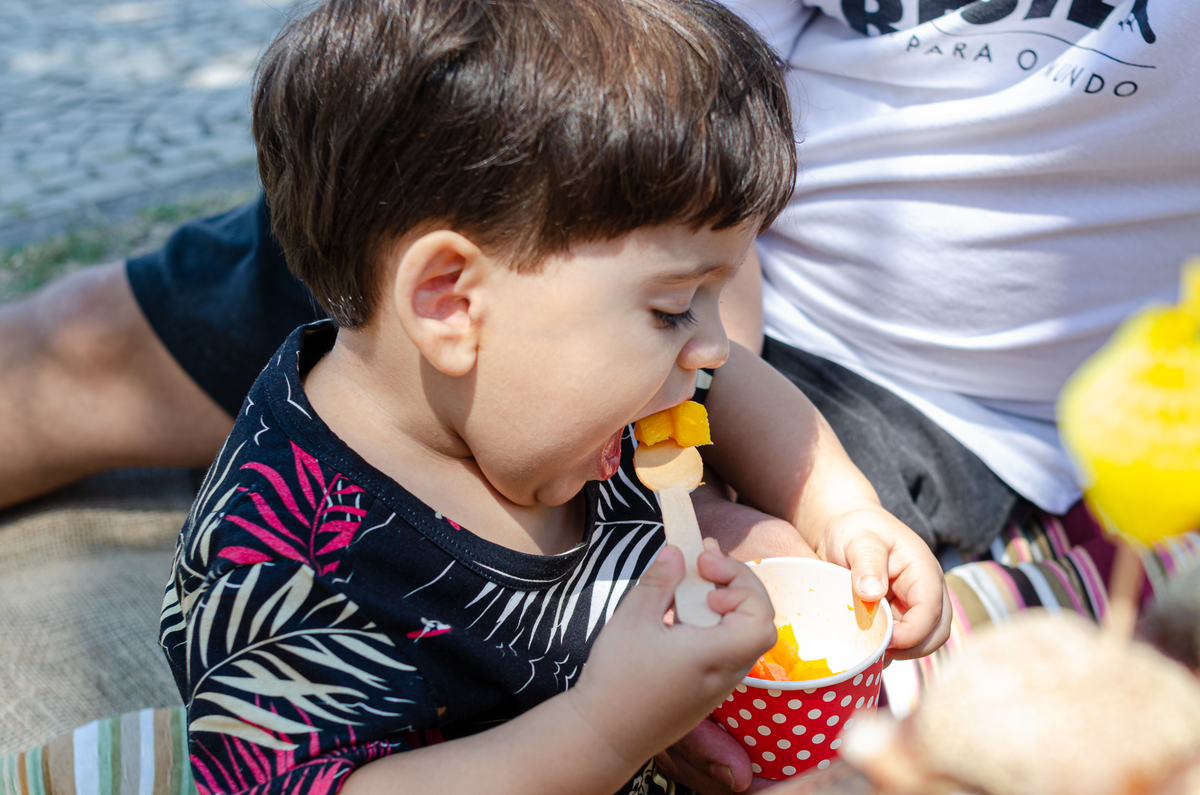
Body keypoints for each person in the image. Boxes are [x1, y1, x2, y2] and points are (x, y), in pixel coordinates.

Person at [157, 2, 949, 795]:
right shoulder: (281, 567)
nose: (708, 343)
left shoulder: (576, 383)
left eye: (719, 288)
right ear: (452, 303)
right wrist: (606, 727)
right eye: (674, 304)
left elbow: (731, 379)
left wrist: (841, 512)